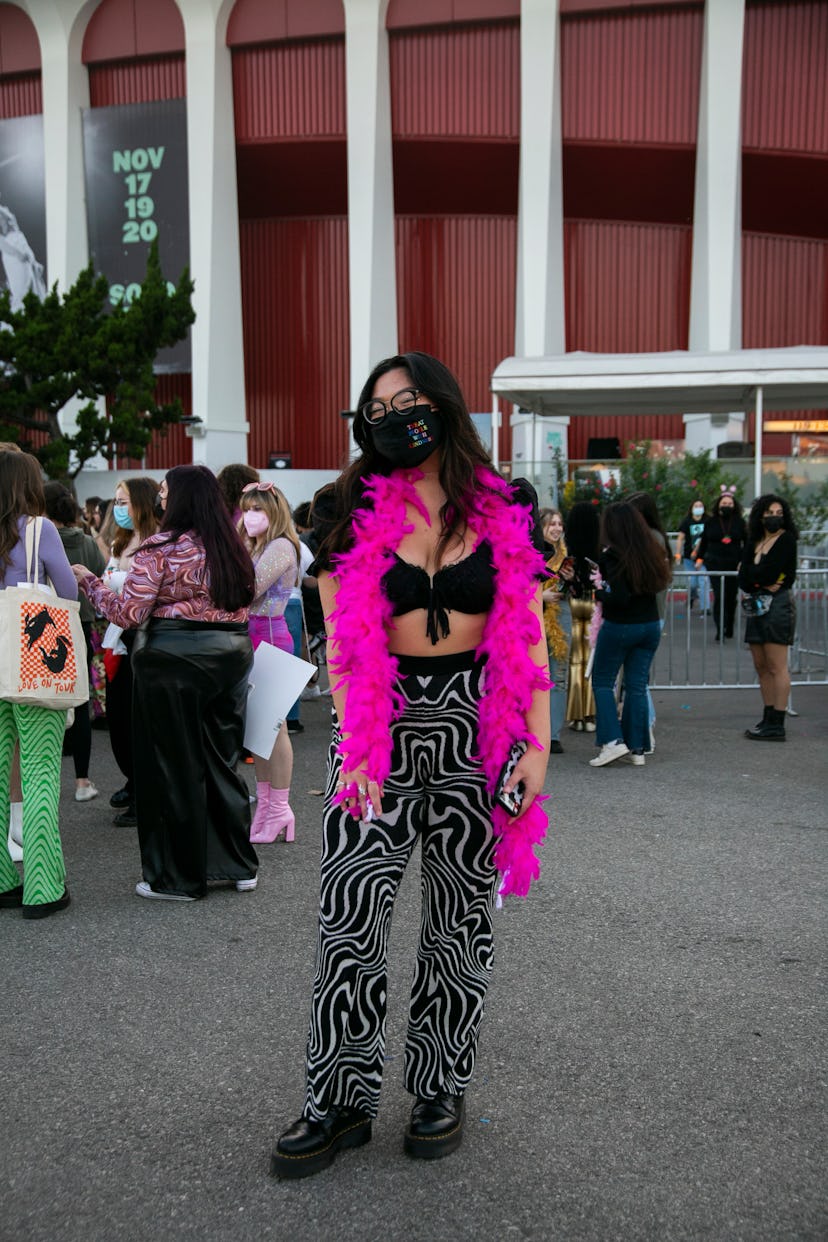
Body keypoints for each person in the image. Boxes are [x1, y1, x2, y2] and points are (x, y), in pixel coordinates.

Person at [270, 352, 550, 1179]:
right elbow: (348, 646)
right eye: (377, 407)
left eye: (409, 401)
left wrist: (535, 747)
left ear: (444, 407)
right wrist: (359, 744)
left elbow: (527, 633)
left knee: (460, 923)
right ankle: (339, 1100)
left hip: (479, 726)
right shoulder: (349, 506)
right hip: (381, 729)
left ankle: (440, 1086)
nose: (393, 417)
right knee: (349, 920)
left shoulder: (501, 506)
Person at [74, 465, 258, 901]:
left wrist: (91, 583)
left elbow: (129, 614)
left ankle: (177, 878)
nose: (159, 500)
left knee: (171, 766)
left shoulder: (161, 545)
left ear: (178, 500)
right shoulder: (232, 544)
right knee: (221, 759)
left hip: (173, 659)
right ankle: (237, 864)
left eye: (163, 493)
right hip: (231, 653)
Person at [0, 451, 75, 918]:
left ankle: (3, 880)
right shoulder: (38, 530)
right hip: (30, 660)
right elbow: (65, 593)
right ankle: (43, 889)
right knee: (41, 770)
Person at [238, 481, 300, 842]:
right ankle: (266, 807)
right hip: (254, 637)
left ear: (274, 513)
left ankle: (279, 808)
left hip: (271, 637)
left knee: (274, 729)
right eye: (246, 509)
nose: (250, 516)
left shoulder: (280, 546)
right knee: (259, 732)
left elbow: (248, 588)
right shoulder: (258, 545)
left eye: (257, 509)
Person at [588, 502, 671, 768]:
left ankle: (612, 741)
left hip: (620, 625)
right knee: (636, 685)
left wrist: (598, 593)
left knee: (602, 681)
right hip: (649, 625)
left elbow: (618, 598)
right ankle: (637, 747)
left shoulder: (612, 556)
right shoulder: (650, 550)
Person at [100, 478, 159, 826]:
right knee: (119, 718)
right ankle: (132, 779)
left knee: (140, 721)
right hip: (118, 638)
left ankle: (143, 791)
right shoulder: (119, 541)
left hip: (143, 637)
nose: (118, 508)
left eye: (124, 501)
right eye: (115, 501)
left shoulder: (156, 543)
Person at [43, 482, 106, 802]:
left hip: (44, 625)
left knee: (44, 699)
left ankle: (43, 779)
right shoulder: (86, 541)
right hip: (81, 625)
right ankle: (83, 781)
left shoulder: (38, 537)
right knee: (80, 702)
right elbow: (99, 575)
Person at [739, 494, 798, 742]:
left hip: (778, 606)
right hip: (756, 606)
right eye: (769, 512)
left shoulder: (786, 540)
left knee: (777, 666)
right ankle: (767, 715)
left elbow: (773, 572)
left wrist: (755, 577)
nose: (774, 517)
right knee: (761, 665)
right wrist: (757, 579)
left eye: (778, 513)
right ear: (760, 515)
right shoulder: (754, 540)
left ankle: (778, 722)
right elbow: (745, 576)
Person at [626, 491, 672, 754]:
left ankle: (646, 723)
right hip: (652, 613)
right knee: (638, 675)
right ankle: (643, 724)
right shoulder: (657, 539)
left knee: (637, 676)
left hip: (646, 614)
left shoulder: (648, 540)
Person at [562, 502, 600, 732]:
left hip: (573, 607)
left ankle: (575, 715)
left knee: (575, 661)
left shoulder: (568, 555)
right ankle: (591, 713)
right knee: (593, 660)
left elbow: (561, 585)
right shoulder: (599, 552)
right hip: (595, 607)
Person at [697, 487, 746, 641]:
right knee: (719, 596)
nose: (726, 506)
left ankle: (729, 625)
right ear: (719, 505)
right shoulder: (710, 522)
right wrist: (699, 559)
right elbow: (704, 542)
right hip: (715, 563)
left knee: (731, 597)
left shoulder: (740, 522)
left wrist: (743, 561)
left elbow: (747, 543)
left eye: (729, 504)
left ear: (734, 506)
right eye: (724, 503)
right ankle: (720, 628)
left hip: (734, 564)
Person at [541, 508, 570, 755]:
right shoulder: (529, 554)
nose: (557, 528)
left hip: (562, 615)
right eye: (552, 524)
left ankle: (553, 735)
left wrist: (575, 580)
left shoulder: (567, 557)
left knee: (558, 675)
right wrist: (540, 596)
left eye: (560, 524)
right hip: (533, 617)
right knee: (535, 676)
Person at [675, 498, 710, 613]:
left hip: (703, 557)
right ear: (692, 508)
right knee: (693, 583)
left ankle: (705, 608)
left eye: (700, 505)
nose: (698, 508)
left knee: (703, 581)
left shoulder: (708, 521)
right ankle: (692, 597)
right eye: (696, 506)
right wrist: (678, 553)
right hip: (689, 558)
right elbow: (680, 538)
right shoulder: (687, 521)